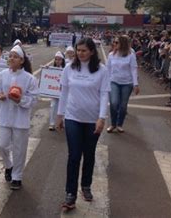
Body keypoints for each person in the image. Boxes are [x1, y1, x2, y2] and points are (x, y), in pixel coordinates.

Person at [56, 38, 110, 212]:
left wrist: (101, 118)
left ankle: (86, 185)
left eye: (84, 50)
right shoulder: (69, 68)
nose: (80, 53)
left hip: (92, 120)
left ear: (92, 52)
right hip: (73, 118)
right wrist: (60, 115)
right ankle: (70, 194)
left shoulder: (101, 71)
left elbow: (104, 95)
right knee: (74, 156)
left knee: (89, 154)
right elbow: (64, 92)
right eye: (78, 50)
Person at [0, 45, 38, 190]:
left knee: (19, 149)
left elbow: (34, 99)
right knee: (1, 144)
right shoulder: (1, 75)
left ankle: (17, 176)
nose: (11, 58)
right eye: (10, 56)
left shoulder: (30, 78)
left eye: (15, 56)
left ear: (21, 60)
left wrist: (20, 100)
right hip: (5, 115)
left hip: (21, 118)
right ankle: (9, 165)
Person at [105, 35, 139, 133]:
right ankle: (113, 124)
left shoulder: (131, 55)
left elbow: (133, 70)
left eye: (117, 42)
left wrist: (135, 84)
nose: (114, 44)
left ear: (123, 44)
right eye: (114, 42)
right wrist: (105, 83)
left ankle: (119, 124)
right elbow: (108, 69)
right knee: (114, 103)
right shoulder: (111, 55)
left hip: (127, 83)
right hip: (113, 81)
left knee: (123, 105)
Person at [49, 51, 65, 131]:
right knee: (53, 106)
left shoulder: (65, 70)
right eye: (56, 59)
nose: (58, 61)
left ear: (62, 60)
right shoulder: (52, 70)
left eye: (59, 59)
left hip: (63, 92)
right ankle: (52, 123)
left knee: (63, 107)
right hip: (54, 92)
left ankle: (63, 122)